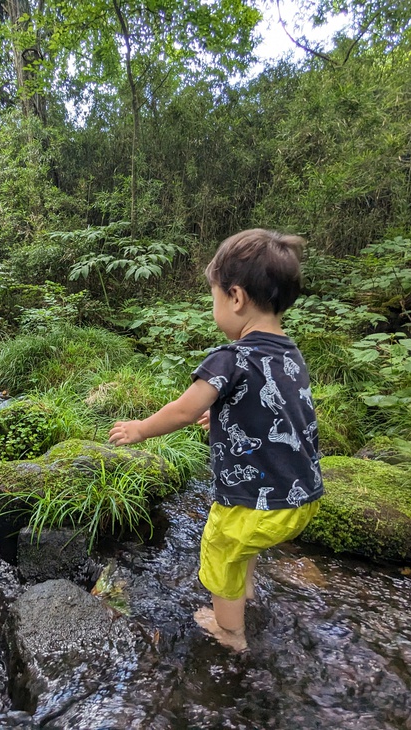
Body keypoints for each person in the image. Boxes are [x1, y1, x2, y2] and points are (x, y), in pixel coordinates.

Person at [108, 229, 323, 652]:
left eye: (214, 298)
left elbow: (185, 409)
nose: (215, 309)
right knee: (244, 548)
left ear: (236, 297)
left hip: (253, 499)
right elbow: (276, 410)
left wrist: (140, 428)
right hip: (301, 497)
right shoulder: (290, 354)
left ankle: (230, 633)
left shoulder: (231, 356)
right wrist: (226, 416)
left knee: (221, 549)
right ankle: (246, 598)